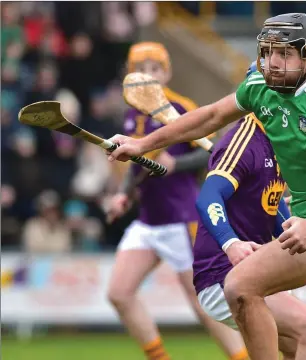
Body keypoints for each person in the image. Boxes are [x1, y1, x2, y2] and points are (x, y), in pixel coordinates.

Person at [106, 13, 306, 360]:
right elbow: (210, 117)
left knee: (242, 285)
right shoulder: (261, 87)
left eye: (284, 54)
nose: (272, 62)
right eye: (268, 52)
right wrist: (142, 144)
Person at [104, 42, 248, 360]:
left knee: (203, 301)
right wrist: (123, 196)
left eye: (154, 69)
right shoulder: (132, 115)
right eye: (140, 70)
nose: (147, 76)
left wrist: (176, 164)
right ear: (130, 75)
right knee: (118, 293)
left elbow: (208, 152)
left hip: (183, 219)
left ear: (166, 73)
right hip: (149, 221)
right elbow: (138, 163)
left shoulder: (181, 107)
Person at [193, 61, 306, 360]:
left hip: (256, 270)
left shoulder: (279, 141)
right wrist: (231, 244)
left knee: (297, 347)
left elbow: (273, 206)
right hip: (222, 273)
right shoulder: (243, 141)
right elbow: (208, 198)